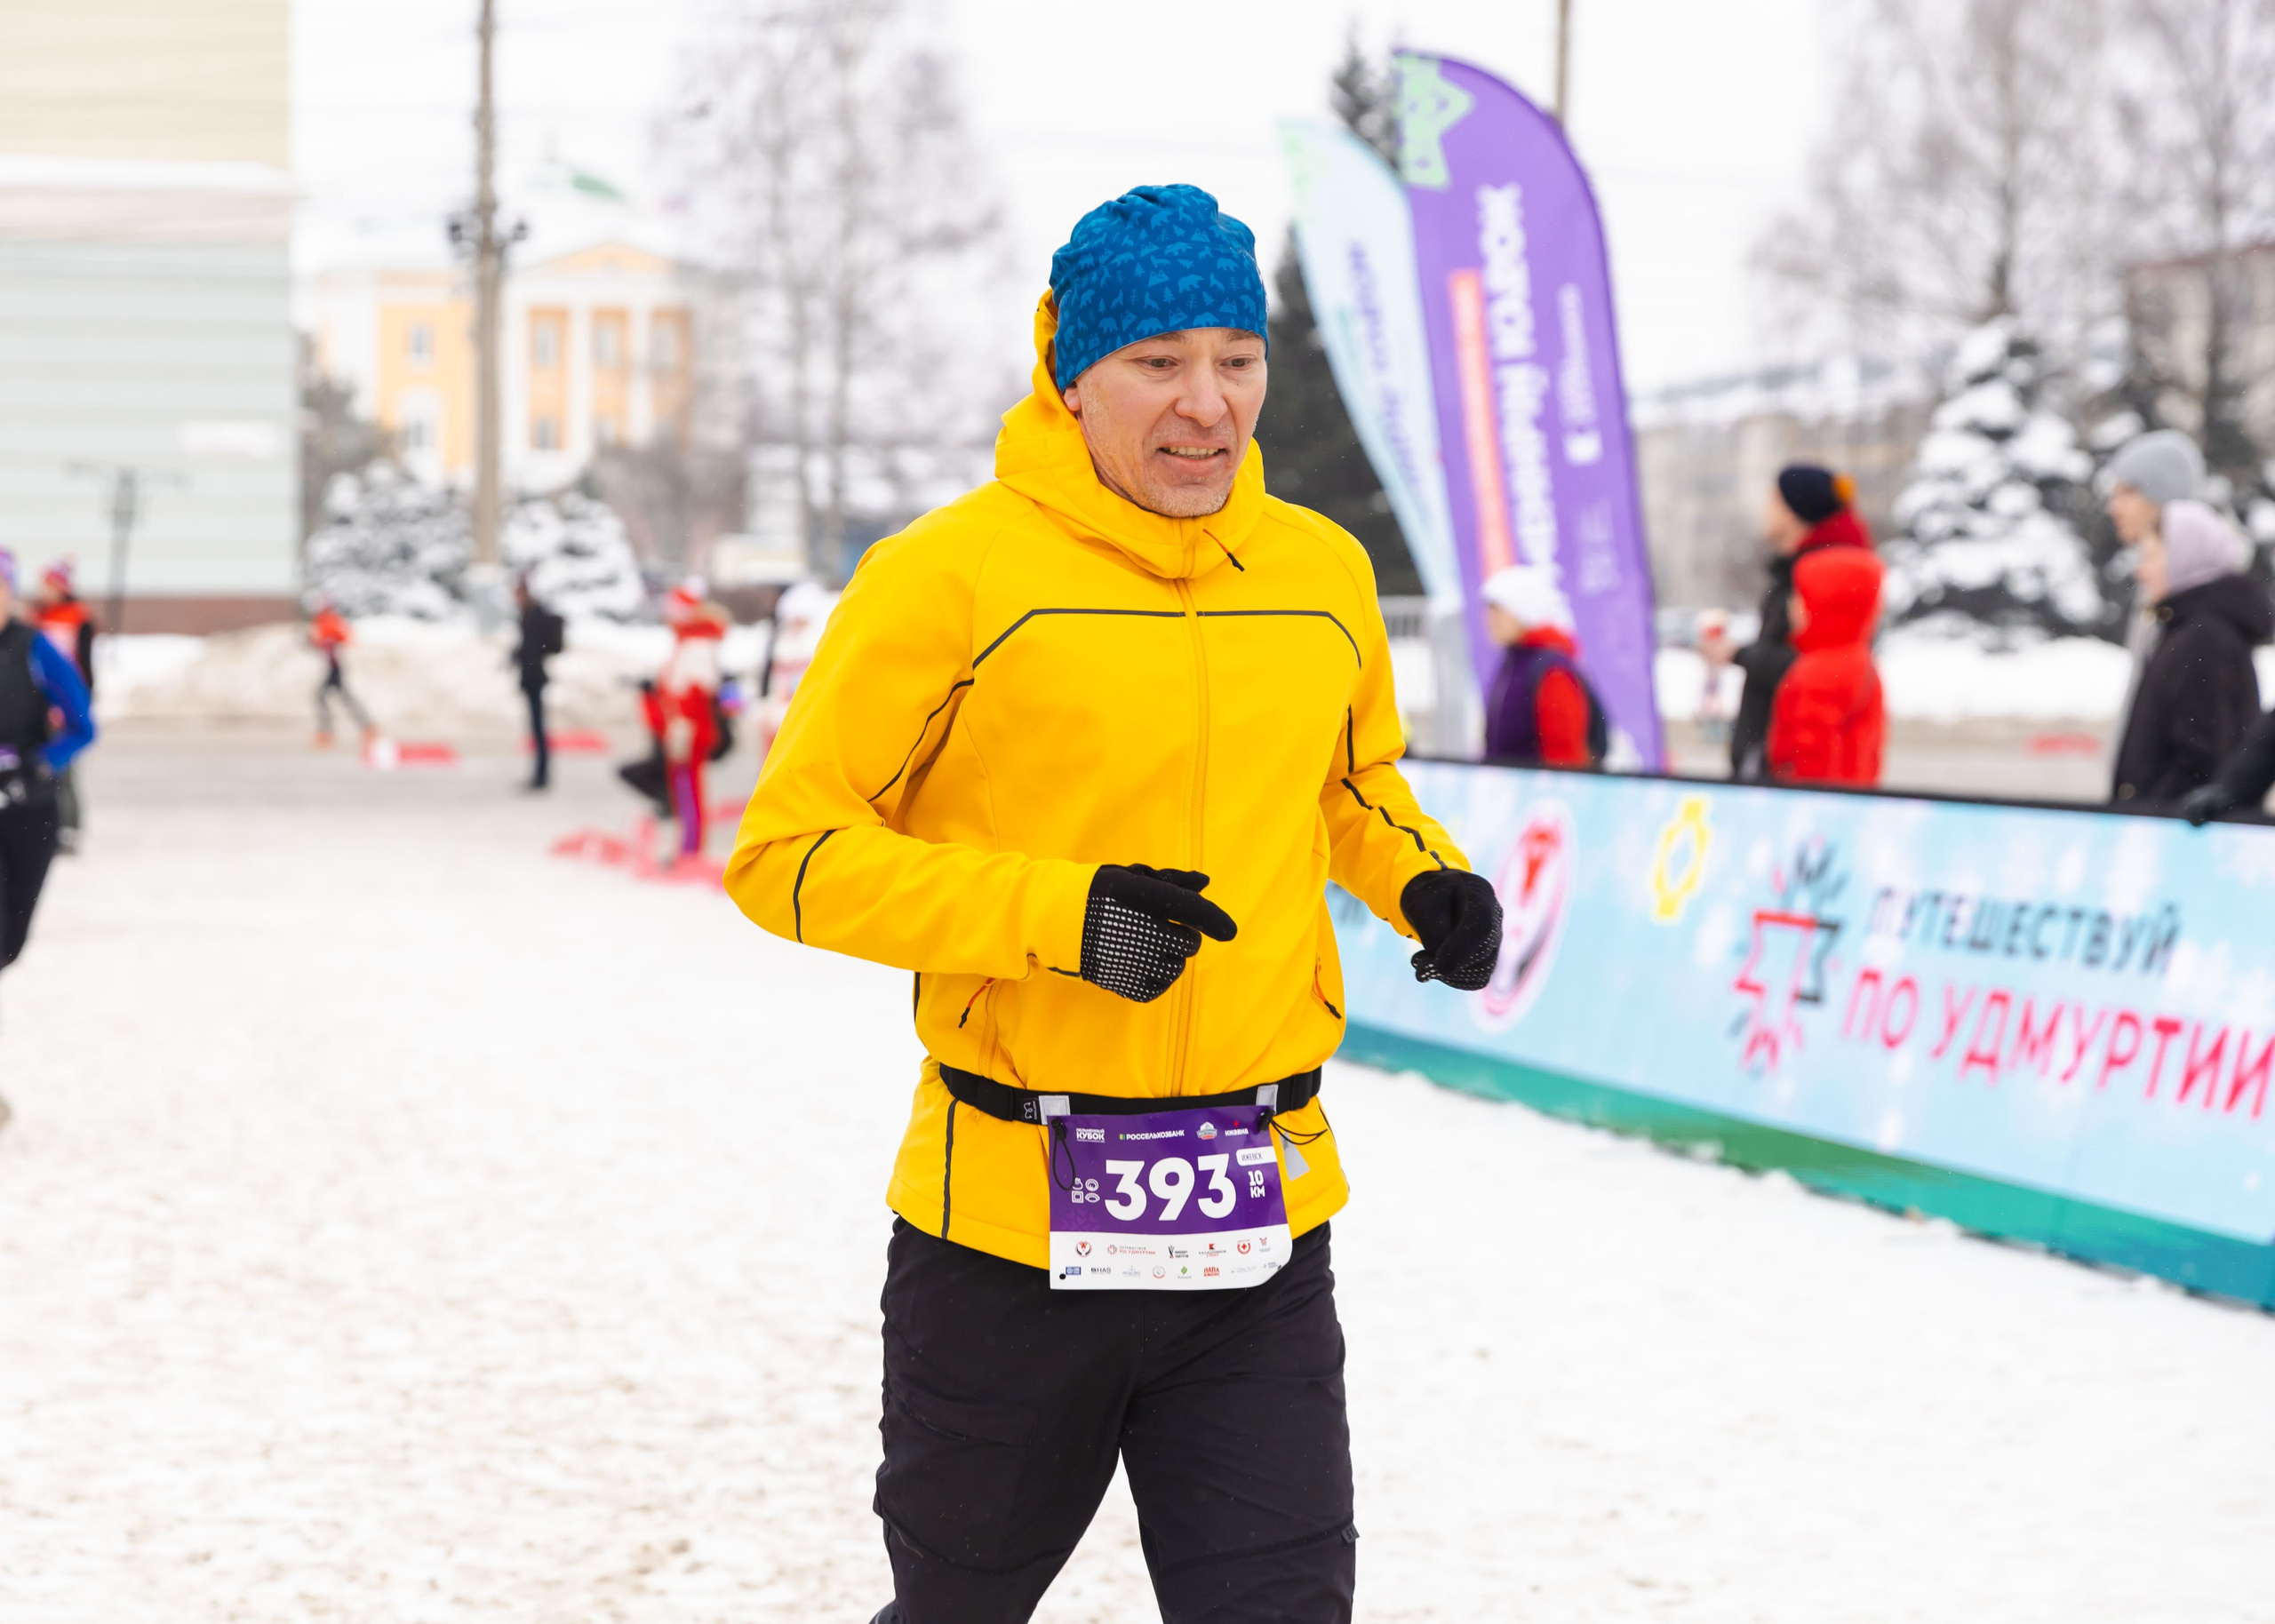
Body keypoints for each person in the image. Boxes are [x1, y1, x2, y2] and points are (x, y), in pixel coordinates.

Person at [724, 184, 1503, 1624]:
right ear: (1069, 374)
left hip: (1255, 1222)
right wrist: (1058, 914)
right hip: (1007, 1227)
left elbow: (1350, 781)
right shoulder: (945, 580)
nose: (1207, 403)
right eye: (1158, 361)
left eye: (1237, 357)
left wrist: (1420, 874)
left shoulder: (1322, 572)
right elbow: (787, 853)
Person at [1704, 465, 1874, 781]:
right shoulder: (1807, 569)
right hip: (1771, 758)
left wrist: (1738, 654)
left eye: (1774, 499)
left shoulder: (1824, 577)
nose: (1765, 509)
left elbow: (1810, 666)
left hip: (1782, 774)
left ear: (1795, 509)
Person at [2110, 498, 2271, 806]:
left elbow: (2202, 757)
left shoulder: (2203, 637)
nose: (2142, 571)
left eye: (2152, 555)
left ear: (2185, 558)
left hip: (2177, 837)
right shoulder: (2189, 628)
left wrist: (2149, 819)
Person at [0, 547, 95, 988]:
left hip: (29, 809)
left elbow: (83, 726)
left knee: (9, 942)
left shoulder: (34, 649)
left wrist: (41, 766)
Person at [1765, 540, 1886, 786]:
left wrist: (1804, 801)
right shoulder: (1856, 659)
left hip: (1818, 808)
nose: (1792, 606)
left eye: (1801, 596)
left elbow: (1812, 752)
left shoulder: (1821, 671)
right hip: (1855, 793)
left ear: (1828, 605)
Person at [1480, 563, 1605, 766]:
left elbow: (1565, 758)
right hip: (1512, 791)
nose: (1490, 620)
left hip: (1540, 795)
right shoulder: (1514, 662)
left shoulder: (1552, 670)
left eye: (1498, 612)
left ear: (1522, 612)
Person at [645, 581, 726, 864]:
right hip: (681, 728)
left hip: (690, 730)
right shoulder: (685, 643)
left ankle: (691, 850)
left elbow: (699, 691)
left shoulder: (697, 645)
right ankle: (686, 846)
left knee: (689, 790)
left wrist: (680, 718)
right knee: (681, 788)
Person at [31, 561, 96, 852]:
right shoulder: (37, 618)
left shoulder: (78, 617)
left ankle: (69, 827)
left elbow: (85, 664)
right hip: (40, 703)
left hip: (67, 700)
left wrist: (82, 701)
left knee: (66, 769)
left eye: (49, 585)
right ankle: (47, 826)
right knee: (41, 769)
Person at [512, 575, 566, 791]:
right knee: (536, 728)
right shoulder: (529, 614)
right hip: (533, 677)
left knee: (539, 728)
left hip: (535, 678)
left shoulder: (534, 616)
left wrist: (522, 658)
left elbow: (533, 648)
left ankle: (541, 774)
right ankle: (539, 773)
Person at [307, 596, 374, 748]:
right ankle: (366, 726)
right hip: (331, 666)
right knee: (341, 698)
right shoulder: (321, 622)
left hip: (335, 667)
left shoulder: (331, 621)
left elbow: (345, 637)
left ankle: (326, 731)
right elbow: (320, 642)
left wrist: (331, 641)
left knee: (323, 697)